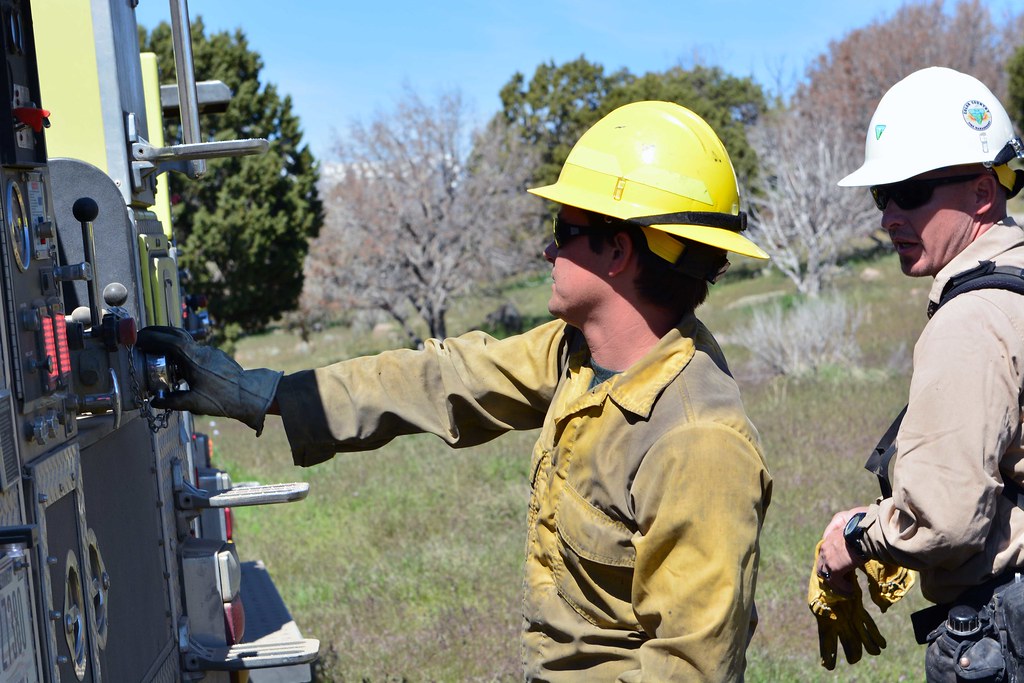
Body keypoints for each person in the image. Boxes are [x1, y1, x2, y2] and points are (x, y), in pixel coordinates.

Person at [138, 101, 773, 681]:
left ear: (619, 251)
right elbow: (444, 380)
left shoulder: (698, 443)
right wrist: (263, 392)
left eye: (565, 226)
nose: (548, 246)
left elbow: (690, 670)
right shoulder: (577, 355)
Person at [816, 66, 1024, 679]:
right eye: (882, 195)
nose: (888, 217)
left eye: (909, 192)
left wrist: (856, 535)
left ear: (983, 192)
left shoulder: (974, 318)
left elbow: (947, 518)